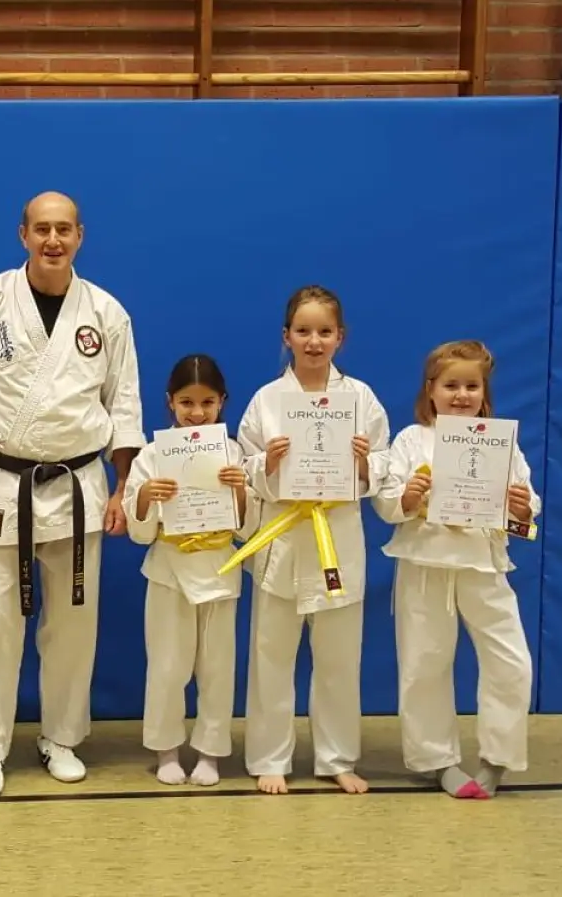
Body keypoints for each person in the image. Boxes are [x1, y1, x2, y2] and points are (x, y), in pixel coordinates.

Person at [0, 191, 146, 798]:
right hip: (3, 482)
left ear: (80, 235)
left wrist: (124, 485)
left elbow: (124, 404)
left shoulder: (106, 312)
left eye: (64, 230)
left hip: (81, 483)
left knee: (73, 624)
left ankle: (61, 736)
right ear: (22, 234)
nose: (52, 240)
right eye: (41, 229)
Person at [233, 284, 389, 795]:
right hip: (284, 537)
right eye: (304, 331)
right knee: (271, 655)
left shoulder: (360, 398)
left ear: (340, 337)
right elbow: (241, 466)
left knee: (340, 659)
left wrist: (366, 461)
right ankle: (270, 757)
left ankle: (337, 757)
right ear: (287, 337)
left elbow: (383, 469)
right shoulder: (267, 399)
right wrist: (267, 463)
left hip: (338, 537)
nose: (314, 341)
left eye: (325, 331)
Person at [370, 339, 539, 799]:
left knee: (511, 661)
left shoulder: (498, 442)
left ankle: (498, 756)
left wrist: (521, 508)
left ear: (484, 393)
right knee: (424, 662)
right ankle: (437, 760)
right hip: (425, 563)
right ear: (431, 390)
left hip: (483, 564)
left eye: (471, 386)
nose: (461, 395)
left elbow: (525, 513)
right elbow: (386, 505)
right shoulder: (410, 439)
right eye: (450, 385)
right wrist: (409, 496)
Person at [123, 354, 255, 787]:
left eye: (207, 402)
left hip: (220, 569)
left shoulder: (233, 452)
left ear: (222, 403)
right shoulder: (152, 454)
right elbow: (139, 532)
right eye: (186, 402)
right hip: (168, 571)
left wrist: (239, 492)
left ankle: (211, 753)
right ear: (170, 402)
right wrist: (144, 496)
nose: (196, 412)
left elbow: (246, 530)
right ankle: (166, 750)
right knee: (167, 666)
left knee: (217, 669)